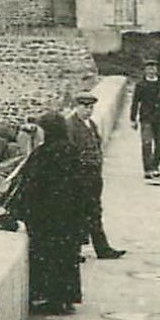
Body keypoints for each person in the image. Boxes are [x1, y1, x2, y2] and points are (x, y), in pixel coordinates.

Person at [14, 112, 84, 314]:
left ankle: (51, 299)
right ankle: (66, 299)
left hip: (47, 216)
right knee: (67, 256)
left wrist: (21, 212)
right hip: (69, 214)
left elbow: (31, 184)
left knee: (48, 256)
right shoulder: (72, 150)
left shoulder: (44, 154)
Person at [64, 91, 126, 259]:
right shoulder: (70, 126)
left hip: (93, 175)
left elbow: (97, 146)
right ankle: (76, 251)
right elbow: (69, 152)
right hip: (80, 175)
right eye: (85, 107)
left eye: (91, 107)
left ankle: (101, 249)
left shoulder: (90, 124)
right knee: (78, 213)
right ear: (76, 106)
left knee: (94, 211)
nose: (88, 110)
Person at [130, 60, 160, 181]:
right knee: (146, 142)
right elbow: (135, 102)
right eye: (149, 68)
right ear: (145, 70)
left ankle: (155, 166)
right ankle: (147, 169)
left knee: (159, 143)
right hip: (146, 117)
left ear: (157, 70)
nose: (151, 71)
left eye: (153, 68)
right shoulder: (141, 85)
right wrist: (133, 118)